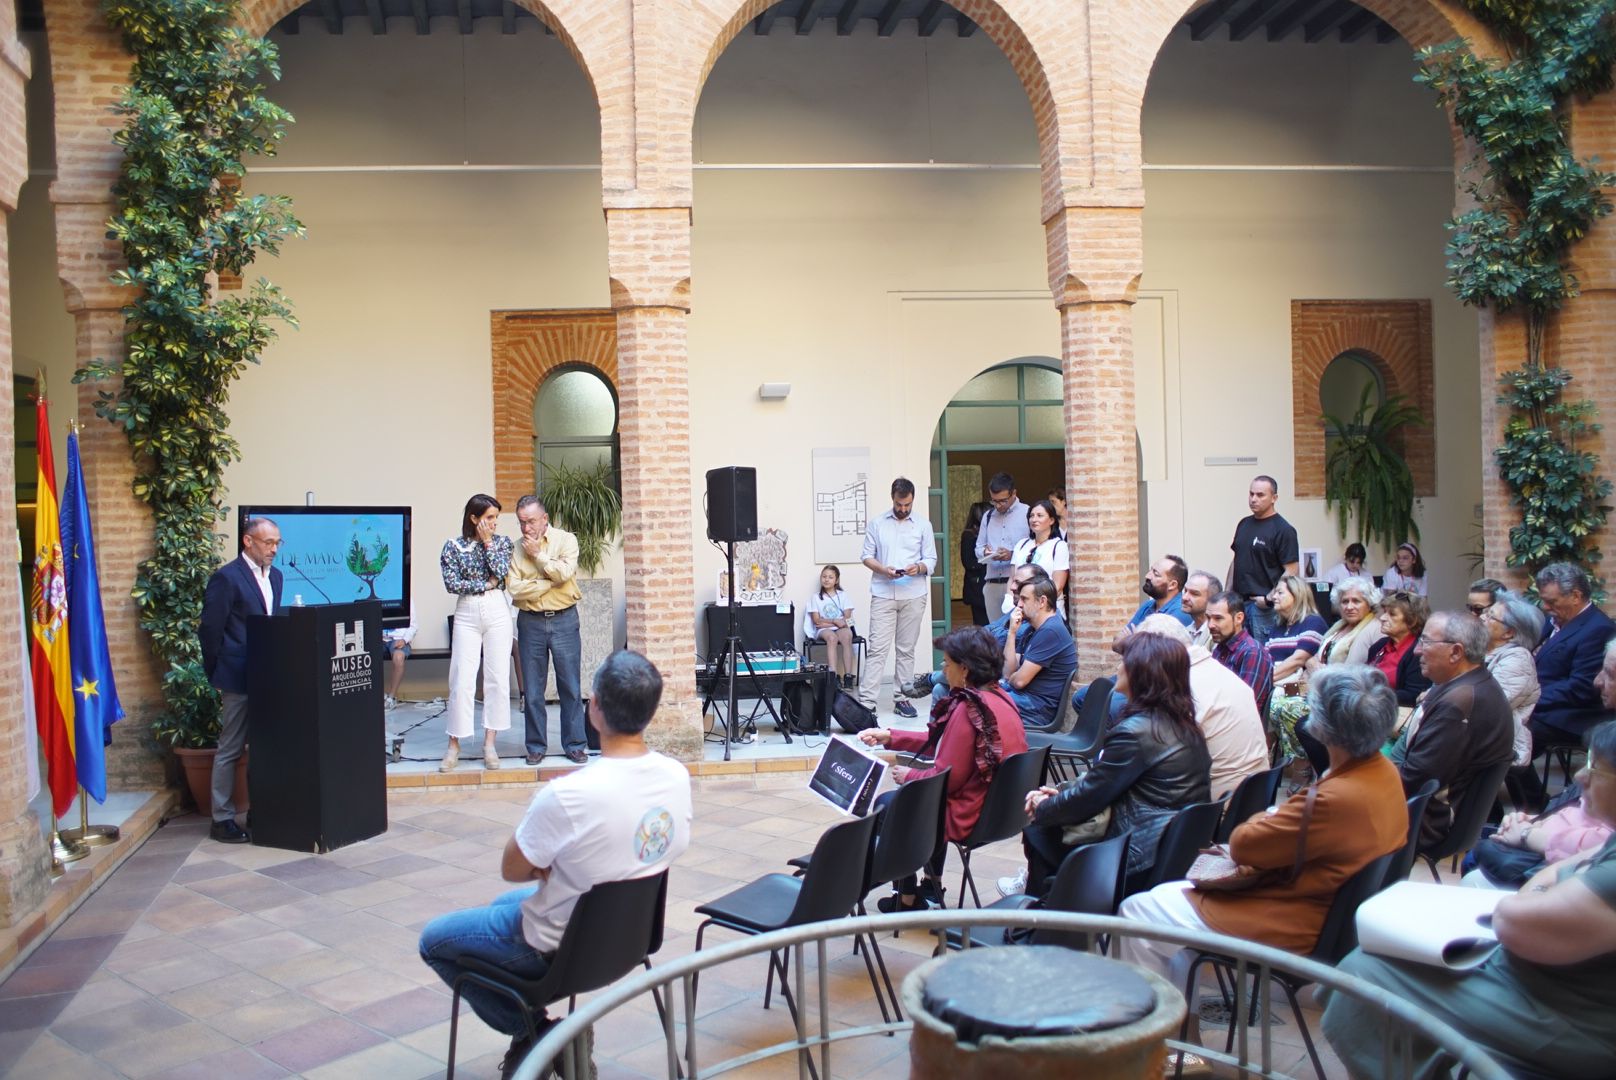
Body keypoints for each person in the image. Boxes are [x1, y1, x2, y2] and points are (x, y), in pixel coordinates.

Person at [418, 650, 692, 1077]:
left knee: (433, 942)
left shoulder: (569, 794)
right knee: (499, 904)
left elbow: (513, 866)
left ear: (594, 708)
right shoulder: (676, 775)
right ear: (650, 712)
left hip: (556, 948)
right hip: (630, 938)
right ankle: (539, 1036)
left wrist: (550, 856)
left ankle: (540, 1033)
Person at [1321, 719, 1616, 1079]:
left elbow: (1515, 920)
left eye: (1595, 767)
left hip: (1562, 1020)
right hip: (1546, 990)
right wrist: (1547, 879)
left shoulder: (1457, 706)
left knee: (1361, 971)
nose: (1582, 777)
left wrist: (1540, 884)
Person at [1116, 664, 1406, 988]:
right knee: (1164, 900)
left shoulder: (1336, 798)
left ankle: (1144, 1028)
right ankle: (1184, 1022)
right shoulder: (1384, 772)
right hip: (1331, 917)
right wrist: (1275, 818)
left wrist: (1264, 817)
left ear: (1323, 727)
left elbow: (1243, 844)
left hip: (1297, 920)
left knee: (1137, 910)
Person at [1004, 633, 1211, 898]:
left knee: (1040, 831)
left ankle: (1046, 924)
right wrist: (1059, 797)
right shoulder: (1184, 726)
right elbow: (1103, 785)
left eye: (1125, 661)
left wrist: (1044, 806)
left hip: (1138, 857)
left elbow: (1090, 797)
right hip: (1169, 849)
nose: (1119, 667)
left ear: (1142, 672)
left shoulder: (1137, 732)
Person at [859, 626, 1029, 911]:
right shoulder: (1000, 698)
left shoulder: (968, 709)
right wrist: (891, 736)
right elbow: (944, 742)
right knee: (918, 802)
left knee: (892, 805)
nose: (942, 668)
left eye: (947, 663)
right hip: (1000, 812)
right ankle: (931, 885)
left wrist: (910, 776)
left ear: (964, 670)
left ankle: (908, 896)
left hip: (970, 816)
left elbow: (946, 780)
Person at [1389, 610, 1514, 849]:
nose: (1416, 650)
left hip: (1423, 821)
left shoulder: (1459, 704)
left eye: (1425, 642)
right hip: (1421, 809)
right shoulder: (1463, 685)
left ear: (1456, 652)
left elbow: (1413, 781)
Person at [199, 516, 284, 843]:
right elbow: (210, 629)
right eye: (268, 542)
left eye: (277, 543)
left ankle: (259, 811)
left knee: (262, 747)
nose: (273, 549)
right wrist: (215, 672)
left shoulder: (276, 576)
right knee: (231, 747)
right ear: (248, 541)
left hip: (268, 675)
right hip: (237, 676)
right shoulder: (227, 578)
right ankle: (221, 819)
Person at [1135, 614, 1268, 800]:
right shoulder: (1214, 670)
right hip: (1252, 798)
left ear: (1156, 652)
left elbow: (1158, 759)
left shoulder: (1182, 687)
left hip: (1215, 807)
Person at [509, 495, 585, 766]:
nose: (526, 528)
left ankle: (575, 744)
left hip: (565, 619)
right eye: (521, 522)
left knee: (571, 686)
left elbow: (564, 574)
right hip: (530, 622)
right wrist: (547, 582)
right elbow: (515, 588)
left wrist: (538, 558)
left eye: (530, 521)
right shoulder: (514, 549)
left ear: (544, 518)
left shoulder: (566, 540)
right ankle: (536, 746)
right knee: (532, 688)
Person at [441, 494, 515, 772]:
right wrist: (485, 584)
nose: (494, 523)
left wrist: (487, 544)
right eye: (489, 518)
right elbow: (452, 583)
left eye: (496, 518)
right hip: (467, 612)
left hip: (497, 610)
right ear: (474, 518)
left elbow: (501, 572)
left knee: (496, 676)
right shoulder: (453, 547)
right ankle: (454, 744)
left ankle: (490, 743)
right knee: (461, 677)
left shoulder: (502, 544)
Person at [901, 563, 1051, 702]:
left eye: (1018, 583)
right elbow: (986, 632)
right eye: (1013, 581)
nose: (1011, 587)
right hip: (986, 665)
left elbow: (1010, 673)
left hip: (995, 676)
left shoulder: (1038, 626)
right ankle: (943, 728)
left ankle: (932, 679)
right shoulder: (1015, 612)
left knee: (962, 664)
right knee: (942, 688)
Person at [860, 477, 937, 719]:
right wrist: (884, 570)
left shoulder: (923, 525)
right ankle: (867, 701)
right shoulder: (877, 523)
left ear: (912, 500)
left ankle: (902, 698)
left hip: (913, 593)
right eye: (899, 504)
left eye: (907, 505)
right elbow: (866, 556)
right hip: (883, 592)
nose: (903, 509)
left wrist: (919, 567)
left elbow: (931, 559)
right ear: (892, 498)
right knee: (877, 649)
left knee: (906, 649)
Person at [1226, 475, 1299, 645]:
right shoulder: (1244, 524)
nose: (1253, 499)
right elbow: (1236, 560)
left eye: (1260, 495)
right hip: (1239, 604)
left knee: (1263, 654)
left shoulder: (1283, 530)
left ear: (1274, 498)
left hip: (1264, 608)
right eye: (1251, 494)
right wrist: (1227, 592)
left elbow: (1292, 570)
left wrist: (1269, 598)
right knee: (1240, 652)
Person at [1000, 576, 1078, 729]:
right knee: (973, 696)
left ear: (1042, 601)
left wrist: (1013, 677)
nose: (1019, 604)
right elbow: (1008, 672)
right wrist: (1012, 633)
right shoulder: (1032, 628)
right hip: (1023, 699)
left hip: (1036, 708)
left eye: (1024, 599)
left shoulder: (1051, 630)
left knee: (978, 701)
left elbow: (1019, 681)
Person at [1482, 595, 1544, 769]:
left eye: (1490, 616)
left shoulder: (1518, 659)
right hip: (1481, 733)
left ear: (1509, 633)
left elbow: (1490, 706)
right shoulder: (1484, 650)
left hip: (1498, 739)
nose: (1482, 617)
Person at [1207, 590, 1274, 718]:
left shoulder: (1252, 652)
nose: (1210, 625)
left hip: (1238, 730)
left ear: (1239, 618)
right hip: (1218, 722)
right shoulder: (1220, 648)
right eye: (1208, 618)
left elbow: (1245, 706)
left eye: (1218, 618)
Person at [1113, 555, 1194, 655]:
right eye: (1151, 570)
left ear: (1172, 585)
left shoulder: (1181, 611)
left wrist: (1131, 640)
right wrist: (1136, 642)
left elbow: (1153, 654)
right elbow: (1116, 643)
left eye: (1156, 574)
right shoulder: (1148, 605)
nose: (1147, 576)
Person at [1365, 590, 1431, 707]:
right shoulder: (1379, 645)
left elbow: (1413, 695)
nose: (1383, 618)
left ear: (1412, 621)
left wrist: (1372, 696)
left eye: (1392, 614)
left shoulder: (1419, 652)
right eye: (1384, 612)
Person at [1003, 498, 1068, 615]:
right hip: (1019, 609)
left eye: (1039, 515)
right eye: (1031, 516)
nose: (1034, 519)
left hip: (1047, 610)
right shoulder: (1021, 545)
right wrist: (1009, 600)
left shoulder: (1059, 546)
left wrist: (1035, 604)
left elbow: (1057, 586)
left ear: (1052, 520)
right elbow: (1012, 578)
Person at [977, 472, 1028, 616]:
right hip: (992, 583)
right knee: (995, 634)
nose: (998, 506)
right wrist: (985, 553)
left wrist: (1011, 555)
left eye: (1002, 501)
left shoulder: (1028, 513)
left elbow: (1034, 548)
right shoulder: (988, 517)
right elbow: (978, 548)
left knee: (1019, 631)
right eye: (994, 501)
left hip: (1019, 585)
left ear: (1014, 494)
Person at [1311, 577, 1385, 669]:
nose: (1349, 607)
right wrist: (1312, 664)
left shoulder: (1376, 629)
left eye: (1356, 601)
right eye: (1345, 601)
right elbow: (1314, 657)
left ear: (1369, 604)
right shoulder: (1340, 625)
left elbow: (1352, 671)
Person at [804, 564, 857, 688]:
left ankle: (848, 676)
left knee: (847, 635)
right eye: (824, 577)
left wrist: (831, 621)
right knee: (832, 638)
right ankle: (833, 675)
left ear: (836, 580)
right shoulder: (815, 597)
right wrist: (835, 620)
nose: (826, 579)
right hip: (823, 630)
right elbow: (817, 621)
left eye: (830, 577)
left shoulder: (842, 596)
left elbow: (847, 619)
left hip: (839, 627)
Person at [958, 501, 991, 626]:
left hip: (989, 584)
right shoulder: (969, 535)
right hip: (977, 586)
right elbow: (968, 562)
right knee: (981, 623)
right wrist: (988, 558)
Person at [381, 602, 417, 711]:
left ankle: (391, 698)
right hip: (380, 637)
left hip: (399, 638)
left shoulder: (406, 598)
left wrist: (404, 640)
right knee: (366, 657)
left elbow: (414, 625)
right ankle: (377, 696)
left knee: (398, 658)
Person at [1181, 570, 1221, 651]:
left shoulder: (1218, 634)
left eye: (1194, 594)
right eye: (1185, 591)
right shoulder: (1185, 631)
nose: (1184, 597)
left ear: (1211, 599)